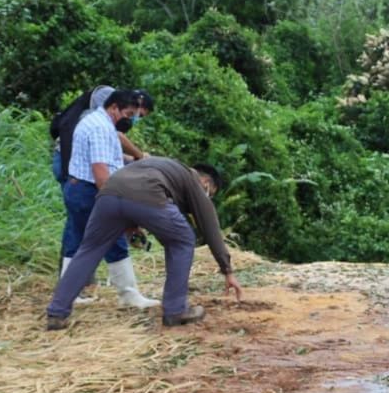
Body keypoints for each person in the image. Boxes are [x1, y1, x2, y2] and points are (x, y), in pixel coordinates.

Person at [46, 157, 243, 329]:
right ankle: (175, 310)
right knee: (183, 240)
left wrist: (131, 227)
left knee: (89, 249)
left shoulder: (162, 167)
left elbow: (131, 195)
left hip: (108, 193)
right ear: (206, 182)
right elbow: (209, 227)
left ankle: (57, 312)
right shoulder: (192, 179)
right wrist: (227, 269)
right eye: (210, 193)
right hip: (145, 193)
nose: (207, 196)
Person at [60, 89, 159, 309]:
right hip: (89, 191)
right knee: (113, 240)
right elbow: (101, 174)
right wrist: (117, 206)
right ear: (114, 107)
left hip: (79, 188)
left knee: (76, 242)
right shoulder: (100, 128)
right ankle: (128, 294)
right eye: (129, 113)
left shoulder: (98, 122)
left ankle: (68, 295)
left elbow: (110, 159)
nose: (130, 119)